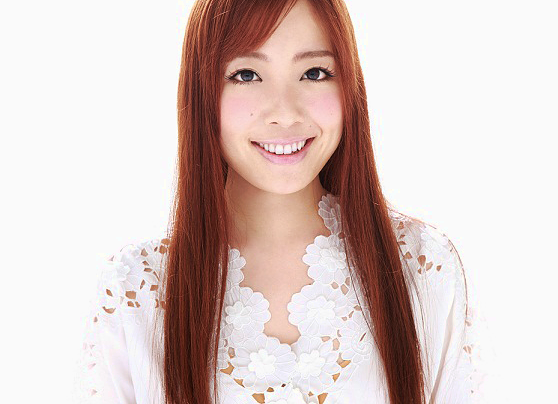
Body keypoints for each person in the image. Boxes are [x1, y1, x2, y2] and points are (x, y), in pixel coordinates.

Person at [72, 0, 492, 402]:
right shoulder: (137, 291)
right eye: (246, 75)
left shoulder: (421, 267)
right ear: (202, 93)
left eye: (314, 72)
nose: (285, 113)